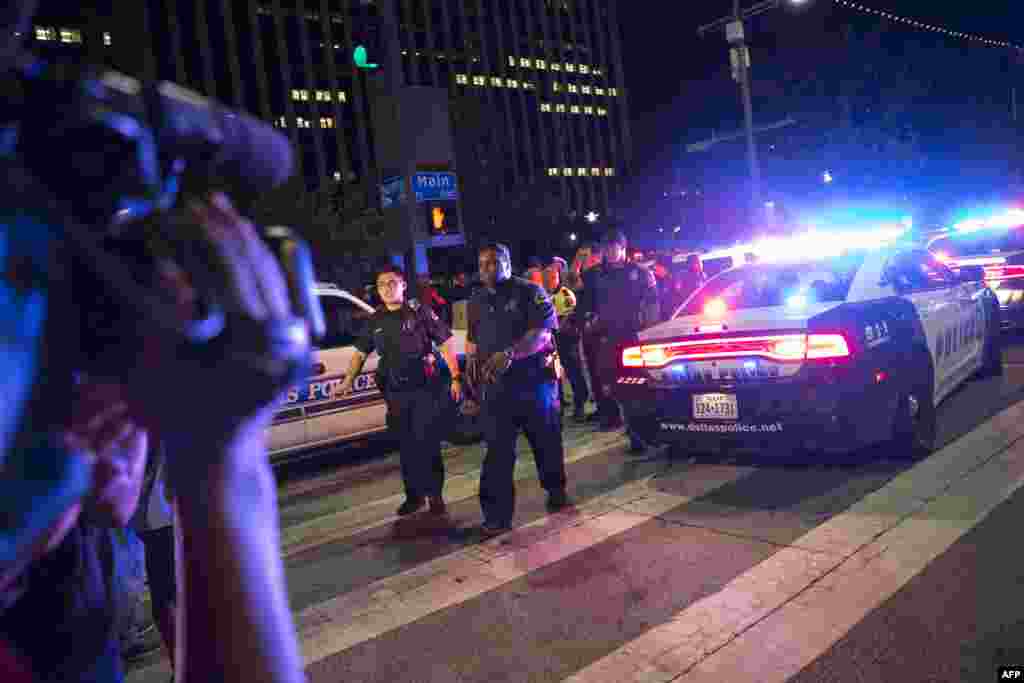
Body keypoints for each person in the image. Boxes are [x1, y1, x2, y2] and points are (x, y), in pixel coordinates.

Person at [342, 265, 462, 516]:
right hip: (395, 392)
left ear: (403, 285)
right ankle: (414, 497)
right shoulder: (375, 319)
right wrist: (347, 381)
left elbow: (445, 342)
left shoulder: (419, 312)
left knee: (427, 443)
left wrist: (455, 376)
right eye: (381, 284)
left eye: (392, 282)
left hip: (423, 390)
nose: (386, 288)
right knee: (406, 446)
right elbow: (360, 353)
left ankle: (435, 495)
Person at [466, 243, 569, 536]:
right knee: (497, 452)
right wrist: (469, 376)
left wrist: (510, 353)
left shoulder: (530, 292)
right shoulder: (475, 300)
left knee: (545, 442)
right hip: (497, 389)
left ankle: (555, 488)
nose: (487, 268)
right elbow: (472, 342)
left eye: (494, 262)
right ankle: (496, 516)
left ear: (507, 263)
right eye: (483, 262)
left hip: (534, 383)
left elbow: (542, 333)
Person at [578, 229, 660, 452]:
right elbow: (584, 304)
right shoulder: (594, 275)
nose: (611, 252)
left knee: (640, 386)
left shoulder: (640, 273)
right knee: (615, 388)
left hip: (634, 338)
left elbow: (653, 304)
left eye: (615, 247)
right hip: (607, 340)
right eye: (607, 248)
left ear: (624, 248)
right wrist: (588, 322)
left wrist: (650, 332)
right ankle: (631, 430)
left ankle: (644, 434)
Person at [543, 262, 590, 422]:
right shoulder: (542, 295)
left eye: (552, 278)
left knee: (574, 373)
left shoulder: (566, 295)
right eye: (546, 279)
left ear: (558, 278)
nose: (548, 281)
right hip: (551, 342)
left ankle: (580, 405)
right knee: (554, 375)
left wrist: (555, 327)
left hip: (567, 341)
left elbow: (568, 319)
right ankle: (559, 407)